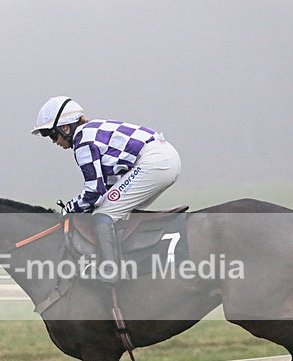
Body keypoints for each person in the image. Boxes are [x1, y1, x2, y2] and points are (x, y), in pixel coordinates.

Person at [31, 96, 181, 284]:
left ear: (65, 128)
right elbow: (107, 185)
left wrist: (69, 208)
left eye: (51, 135)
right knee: (117, 209)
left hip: (155, 162)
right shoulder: (90, 131)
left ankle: (110, 270)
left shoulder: (83, 142)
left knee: (104, 213)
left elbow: (95, 191)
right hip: (162, 157)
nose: (53, 141)